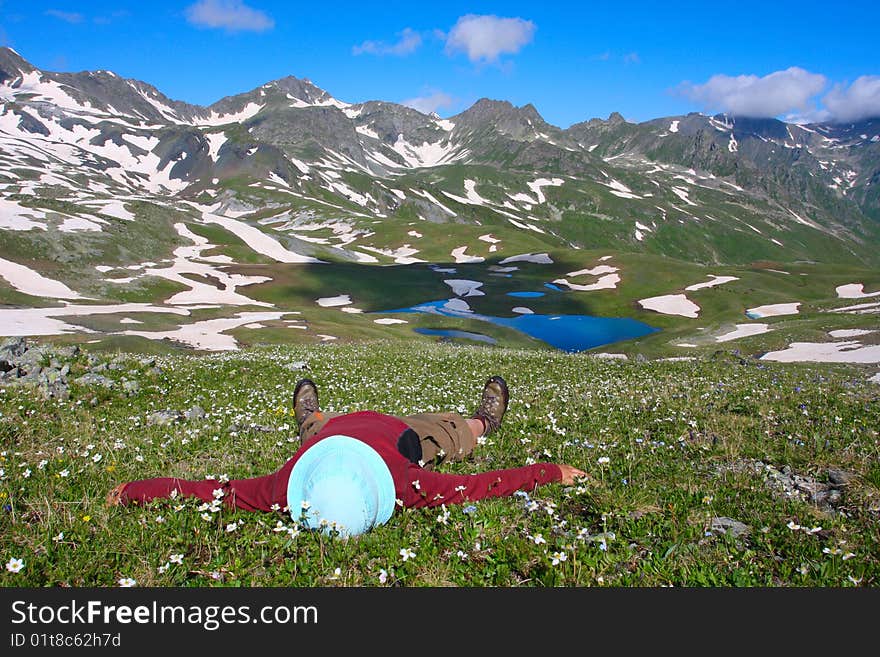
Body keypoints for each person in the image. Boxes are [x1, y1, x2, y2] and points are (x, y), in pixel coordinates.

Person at [106, 376, 587, 537]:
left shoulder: (286, 485)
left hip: (339, 431)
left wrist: (133, 491)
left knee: (315, 427)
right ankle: (481, 423)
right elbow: (481, 485)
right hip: (389, 434)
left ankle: (308, 417)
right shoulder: (403, 482)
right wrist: (547, 471)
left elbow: (211, 492)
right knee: (447, 431)